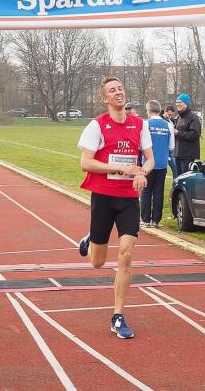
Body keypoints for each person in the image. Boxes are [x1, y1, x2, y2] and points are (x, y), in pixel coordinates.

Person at [77, 77, 154, 339]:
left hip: (128, 198)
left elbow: (150, 159)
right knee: (97, 263)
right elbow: (85, 163)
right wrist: (119, 168)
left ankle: (118, 316)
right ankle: (91, 237)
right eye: (112, 90)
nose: (118, 92)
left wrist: (142, 172)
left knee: (126, 254)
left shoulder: (139, 124)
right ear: (105, 99)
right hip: (103, 197)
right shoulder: (96, 125)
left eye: (120, 88)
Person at [140, 100, 173, 228]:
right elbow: (172, 146)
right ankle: (156, 221)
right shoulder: (168, 124)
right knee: (159, 191)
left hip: (148, 162)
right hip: (163, 162)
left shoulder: (145, 124)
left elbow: (140, 145)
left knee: (146, 191)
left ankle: (145, 219)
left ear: (148, 110)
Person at [173, 93, 202, 175]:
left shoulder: (193, 117)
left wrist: (178, 133)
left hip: (187, 155)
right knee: (178, 178)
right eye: (176, 102)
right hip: (177, 154)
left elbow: (195, 134)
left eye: (180, 102)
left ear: (186, 103)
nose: (177, 104)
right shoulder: (178, 118)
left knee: (185, 179)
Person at [162, 105, 178, 178]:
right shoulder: (160, 121)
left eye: (171, 115)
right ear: (164, 112)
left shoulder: (171, 121)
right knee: (162, 171)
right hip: (163, 150)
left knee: (176, 170)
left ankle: (174, 187)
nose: (170, 116)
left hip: (171, 149)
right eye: (168, 114)